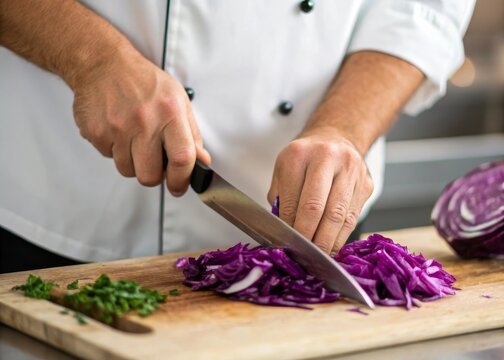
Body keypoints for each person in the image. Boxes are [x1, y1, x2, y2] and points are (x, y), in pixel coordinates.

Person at [0, 0, 475, 273]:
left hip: (316, 226)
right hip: (54, 206)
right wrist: (92, 58)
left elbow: (422, 9)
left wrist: (344, 128)